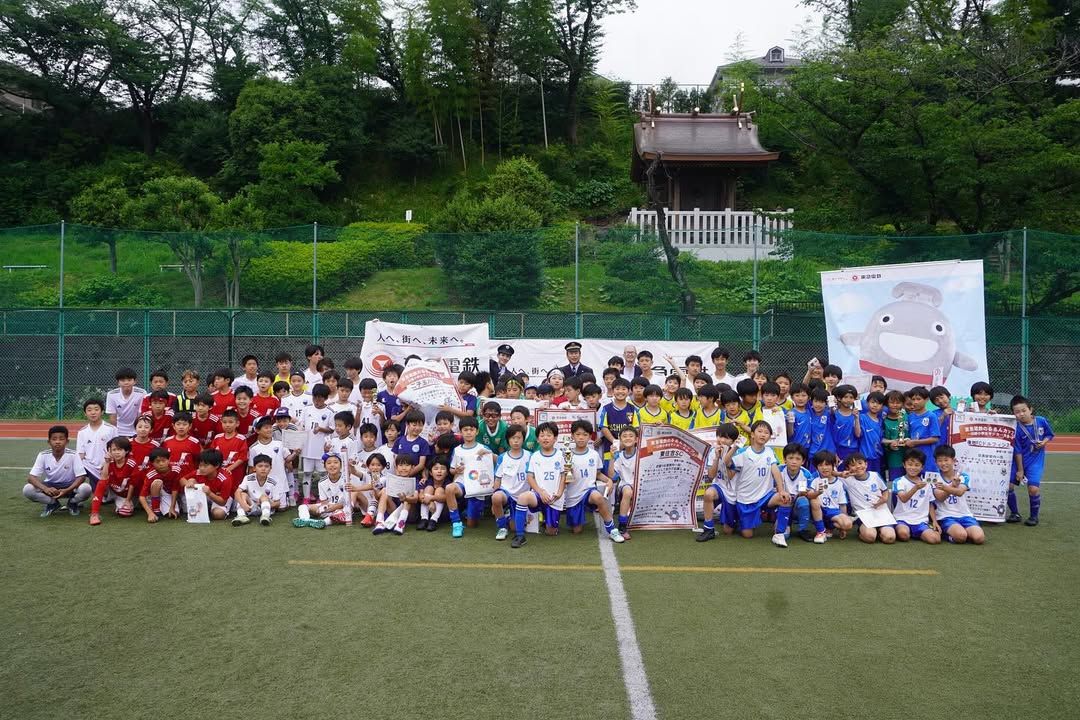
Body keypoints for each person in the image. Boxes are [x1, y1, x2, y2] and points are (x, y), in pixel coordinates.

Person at [723, 420, 794, 547]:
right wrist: (735, 447)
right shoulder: (743, 451)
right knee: (747, 535)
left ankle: (779, 534)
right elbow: (726, 463)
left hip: (765, 496)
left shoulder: (769, 452)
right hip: (746, 499)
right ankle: (738, 519)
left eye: (766, 433)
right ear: (752, 434)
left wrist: (781, 490)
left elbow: (776, 471)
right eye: (760, 431)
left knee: (785, 499)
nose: (763, 435)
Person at [560, 420, 624, 542]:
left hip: (589, 492)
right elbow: (564, 479)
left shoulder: (594, 454)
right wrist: (569, 473)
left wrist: (609, 481)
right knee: (577, 530)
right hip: (573, 497)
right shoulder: (565, 455)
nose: (581, 437)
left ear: (590, 437)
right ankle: (577, 521)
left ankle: (612, 530)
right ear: (572, 436)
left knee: (598, 497)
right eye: (578, 434)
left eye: (585, 434)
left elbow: (598, 474)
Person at [511, 422, 568, 548]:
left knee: (550, 532)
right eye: (542, 435)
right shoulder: (535, 456)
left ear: (555, 438)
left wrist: (559, 493)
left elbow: (565, 476)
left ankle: (547, 521)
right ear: (537, 439)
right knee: (523, 498)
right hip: (538, 495)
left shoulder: (561, 455)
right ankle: (520, 536)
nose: (545, 438)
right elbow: (530, 477)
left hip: (554, 498)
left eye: (549, 435)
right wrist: (540, 491)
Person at [24, 425, 90, 517]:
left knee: (86, 488)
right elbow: (31, 478)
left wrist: (67, 490)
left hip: (70, 486)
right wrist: (46, 489)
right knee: (27, 489)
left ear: (67, 441)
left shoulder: (73, 454)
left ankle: (72, 503)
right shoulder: (43, 455)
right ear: (49, 442)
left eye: (61, 439)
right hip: (51, 487)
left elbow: (82, 477)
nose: (57, 442)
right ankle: (53, 503)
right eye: (54, 439)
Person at [1010, 395, 1054, 526]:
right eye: (1017, 412)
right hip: (1018, 461)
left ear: (1030, 409)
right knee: (1007, 487)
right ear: (1013, 413)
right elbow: (1017, 450)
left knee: (1033, 489)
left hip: (1035, 461)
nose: (1021, 414)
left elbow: (1049, 434)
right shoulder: (1016, 428)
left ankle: (1034, 517)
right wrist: (1020, 470)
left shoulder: (1041, 421)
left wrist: (1044, 442)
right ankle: (1014, 513)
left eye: (1024, 410)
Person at [446, 416, 493, 537]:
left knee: (472, 524)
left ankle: (469, 512)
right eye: (465, 430)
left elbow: (498, 462)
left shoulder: (482, 448)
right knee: (449, 488)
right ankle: (456, 523)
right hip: (462, 482)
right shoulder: (457, 450)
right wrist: (456, 470)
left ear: (477, 431)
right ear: (460, 432)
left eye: (471, 430)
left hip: (477, 486)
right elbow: (451, 470)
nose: (468, 432)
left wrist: (489, 453)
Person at [930, 446, 985, 544]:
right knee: (961, 537)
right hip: (945, 516)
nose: (943, 464)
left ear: (954, 460)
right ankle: (946, 535)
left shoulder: (963, 476)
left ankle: (961, 532)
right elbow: (940, 497)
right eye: (940, 461)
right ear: (935, 462)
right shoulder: (934, 478)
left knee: (979, 538)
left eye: (946, 460)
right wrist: (952, 485)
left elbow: (960, 492)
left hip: (965, 515)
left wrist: (947, 487)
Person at [841, 452, 896, 544]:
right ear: (848, 468)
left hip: (881, 512)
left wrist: (884, 499)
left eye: (860, 463)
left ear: (866, 464)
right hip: (863, 515)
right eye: (853, 465)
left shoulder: (875, 475)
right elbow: (830, 474)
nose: (858, 466)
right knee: (870, 537)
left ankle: (880, 531)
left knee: (889, 538)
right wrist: (841, 474)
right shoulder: (847, 480)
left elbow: (885, 490)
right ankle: (864, 532)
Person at [891, 449, 942, 544]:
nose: (913, 468)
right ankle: (910, 532)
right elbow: (903, 498)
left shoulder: (927, 483)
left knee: (935, 539)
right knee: (903, 534)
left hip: (921, 521)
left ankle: (920, 532)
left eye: (917, 465)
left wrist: (934, 521)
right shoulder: (898, 481)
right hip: (902, 519)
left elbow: (930, 504)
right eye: (910, 464)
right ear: (904, 465)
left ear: (922, 467)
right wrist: (915, 488)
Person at [88, 437, 139, 525]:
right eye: (114, 450)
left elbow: (133, 484)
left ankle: (125, 502)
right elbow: (103, 479)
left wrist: (127, 500)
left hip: (126, 493)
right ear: (109, 451)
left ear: (126, 451)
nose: (117, 452)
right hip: (113, 490)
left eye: (120, 449)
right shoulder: (109, 462)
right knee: (101, 484)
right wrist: (107, 462)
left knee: (125, 512)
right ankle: (94, 513)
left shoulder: (131, 463)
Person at [805, 450, 854, 539]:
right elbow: (809, 495)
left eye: (827, 464)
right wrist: (818, 493)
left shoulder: (839, 483)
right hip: (819, 510)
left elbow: (842, 505)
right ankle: (821, 531)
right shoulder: (815, 479)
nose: (824, 468)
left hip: (833, 512)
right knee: (814, 500)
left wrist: (843, 527)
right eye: (820, 465)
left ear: (833, 466)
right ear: (816, 467)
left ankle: (830, 527)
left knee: (848, 524)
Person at [298, 384, 334, 502]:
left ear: (325, 398)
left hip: (321, 449)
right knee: (307, 473)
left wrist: (321, 429)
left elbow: (332, 429)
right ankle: (306, 497)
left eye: (320, 398)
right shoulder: (307, 409)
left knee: (323, 474)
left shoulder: (330, 412)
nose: (317, 401)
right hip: (307, 448)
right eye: (315, 398)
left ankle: (322, 497)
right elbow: (301, 425)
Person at [294, 453, 349, 529]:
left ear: (341, 465)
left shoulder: (346, 479)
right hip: (328, 508)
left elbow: (349, 500)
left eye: (335, 462)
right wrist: (324, 508)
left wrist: (335, 507)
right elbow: (324, 502)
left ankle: (323, 522)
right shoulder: (322, 482)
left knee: (341, 512)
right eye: (329, 463)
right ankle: (305, 520)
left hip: (343, 507)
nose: (332, 465)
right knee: (302, 506)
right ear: (325, 467)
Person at [77, 397, 116, 491]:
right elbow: (80, 454)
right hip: (89, 466)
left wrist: (107, 463)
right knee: (75, 467)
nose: (93, 412)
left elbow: (116, 450)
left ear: (102, 412)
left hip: (106, 465)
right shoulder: (82, 432)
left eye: (96, 409)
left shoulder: (111, 429)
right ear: (85, 413)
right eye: (89, 410)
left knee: (104, 495)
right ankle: (75, 494)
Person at [182, 449, 233, 521]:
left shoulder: (224, 478)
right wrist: (188, 483)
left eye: (205, 466)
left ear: (217, 465)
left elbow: (222, 502)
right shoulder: (198, 472)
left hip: (219, 498)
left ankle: (207, 509)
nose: (202, 468)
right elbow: (182, 480)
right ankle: (205, 509)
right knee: (191, 480)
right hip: (205, 495)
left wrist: (209, 493)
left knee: (218, 514)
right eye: (200, 465)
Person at [231, 454, 280, 526]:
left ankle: (265, 517)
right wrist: (243, 504)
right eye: (260, 466)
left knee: (263, 496)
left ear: (270, 468)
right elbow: (237, 492)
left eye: (266, 466)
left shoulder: (273, 482)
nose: (263, 469)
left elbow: (278, 503)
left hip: (266, 507)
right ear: (254, 468)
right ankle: (241, 516)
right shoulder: (248, 478)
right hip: (252, 506)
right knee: (242, 494)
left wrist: (264, 504)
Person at [902, 386, 941, 473]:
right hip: (913, 457)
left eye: (918, 399)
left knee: (928, 482)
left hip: (928, 455)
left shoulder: (931, 416)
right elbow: (907, 434)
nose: (915, 402)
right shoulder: (910, 416)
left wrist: (915, 442)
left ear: (926, 399)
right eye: (913, 399)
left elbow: (935, 438)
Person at [610, 427, 641, 538]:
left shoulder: (642, 454)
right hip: (625, 486)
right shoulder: (619, 456)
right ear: (620, 440)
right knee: (628, 491)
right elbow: (612, 476)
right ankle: (622, 526)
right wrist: (612, 458)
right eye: (624, 436)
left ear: (637, 439)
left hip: (641, 486)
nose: (628, 438)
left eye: (631, 436)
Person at [137, 447, 181, 521]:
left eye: (164, 460)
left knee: (171, 514)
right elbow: (141, 496)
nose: (161, 464)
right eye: (157, 462)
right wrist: (150, 513)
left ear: (169, 459)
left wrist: (172, 507)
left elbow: (175, 489)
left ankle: (168, 506)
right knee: (157, 482)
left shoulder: (176, 470)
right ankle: (155, 509)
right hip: (152, 495)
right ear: (152, 463)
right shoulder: (150, 475)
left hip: (168, 494)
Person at [106, 367, 147, 436]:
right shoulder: (111, 394)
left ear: (135, 381)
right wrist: (115, 434)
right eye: (122, 380)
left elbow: (141, 415)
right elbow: (112, 417)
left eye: (129, 380)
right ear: (118, 382)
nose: (126, 382)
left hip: (136, 431)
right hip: (118, 431)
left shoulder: (142, 393)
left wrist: (138, 431)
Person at [829, 384, 862, 465]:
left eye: (851, 397)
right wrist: (833, 452)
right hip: (838, 450)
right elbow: (830, 435)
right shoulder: (834, 414)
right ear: (839, 398)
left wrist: (856, 418)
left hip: (853, 450)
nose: (848, 400)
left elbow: (858, 434)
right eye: (845, 397)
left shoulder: (857, 415)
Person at [163, 411, 201, 476]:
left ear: (190, 426)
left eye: (184, 424)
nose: (181, 427)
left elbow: (198, 461)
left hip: (188, 478)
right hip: (170, 477)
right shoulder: (167, 441)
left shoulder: (194, 442)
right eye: (178, 424)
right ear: (173, 426)